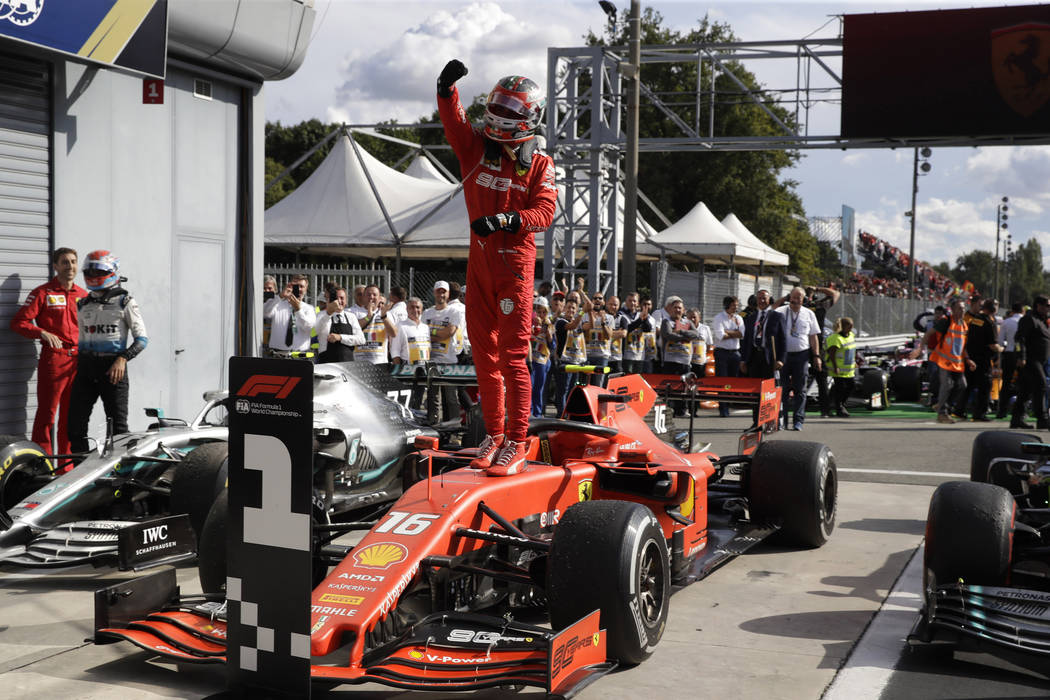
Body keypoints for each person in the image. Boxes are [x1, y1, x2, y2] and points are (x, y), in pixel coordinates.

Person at [437, 59, 557, 472]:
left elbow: (545, 211)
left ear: (530, 117)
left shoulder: (541, 164)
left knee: (512, 358)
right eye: (498, 105)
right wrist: (446, 90)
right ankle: (494, 435)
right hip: (479, 265)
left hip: (515, 268)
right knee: (483, 358)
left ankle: (518, 441)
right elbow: (454, 125)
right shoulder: (474, 148)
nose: (501, 115)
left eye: (511, 109)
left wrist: (509, 219)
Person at [67, 251, 147, 453]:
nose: (93, 275)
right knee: (75, 427)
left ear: (111, 272)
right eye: (89, 271)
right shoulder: (82, 304)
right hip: (86, 369)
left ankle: (119, 476)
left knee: (118, 430)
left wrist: (123, 358)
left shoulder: (125, 301)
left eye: (98, 270)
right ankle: (80, 471)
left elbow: (142, 339)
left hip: (113, 370)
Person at [10, 247, 87, 459]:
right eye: (64, 262)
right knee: (47, 415)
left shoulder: (84, 296)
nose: (70, 266)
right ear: (55, 266)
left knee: (71, 418)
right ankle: (41, 463)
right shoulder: (43, 293)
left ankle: (66, 467)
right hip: (55, 359)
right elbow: (18, 323)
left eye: (73, 261)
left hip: (79, 361)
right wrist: (41, 332)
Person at [921, 297, 975, 425]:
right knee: (947, 385)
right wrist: (920, 349)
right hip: (944, 360)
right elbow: (929, 333)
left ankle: (941, 405)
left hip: (957, 362)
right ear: (953, 310)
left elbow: (962, 346)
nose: (962, 311)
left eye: (963, 308)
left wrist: (968, 359)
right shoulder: (946, 322)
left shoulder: (964, 326)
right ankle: (942, 414)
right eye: (960, 308)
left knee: (962, 385)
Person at [740, 290, 788, 427]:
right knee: (755, 392)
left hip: (770, 358)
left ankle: (770, 421)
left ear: (769, 300)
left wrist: (781, 359)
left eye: (764, 298)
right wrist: (743, 360)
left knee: (769, 392)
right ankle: (756, 423)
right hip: (754, 357)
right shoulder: (751, 317)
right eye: (759, 298)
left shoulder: (777, 316)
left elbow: (783, 340)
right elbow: (746, 340)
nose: (762, 301)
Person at [776, 288, 822, 431]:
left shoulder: (809, 314)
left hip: (801, 355)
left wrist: (816, 356)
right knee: (781, 389)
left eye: (799, 297)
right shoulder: (780, 312)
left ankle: (798, 421)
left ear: (804, 299)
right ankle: (781, 420)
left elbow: (813, 336)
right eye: (793, 297)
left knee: (800, 390)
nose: (796, 300)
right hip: (783, 356)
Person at [423, 281, 466, 424]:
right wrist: (438, 333)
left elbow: (449, 332)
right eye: (438, 291)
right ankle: (433, 428)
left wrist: (432, 332)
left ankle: (454, 431)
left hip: (449, 361)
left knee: (451, 399)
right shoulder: (427, 312)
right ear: (434, 293)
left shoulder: (454, 311)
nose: (441, 294)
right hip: (431, 361)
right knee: (433, 398)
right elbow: (423, 334)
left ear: (448, 294)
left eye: (444, 292)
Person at [953, 298, 1002, 421]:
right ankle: (979, 414)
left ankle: (959, 411)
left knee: (968, 385)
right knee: (985, 386)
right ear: (994, 309)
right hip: (983, 359)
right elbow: (992, 345)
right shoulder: (989, 322)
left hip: (971, 358)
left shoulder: (975, 319)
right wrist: (1002, 349)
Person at [1010, 294, 1050, 430]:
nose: (1048, 309)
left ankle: (1016, 419)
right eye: (1047, 306)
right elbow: (1019, 339)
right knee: (1041, 385)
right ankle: (1042, 418)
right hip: (1030, 360)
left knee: (1025, 391)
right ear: (1039, 306)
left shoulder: (1042, 321)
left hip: (1039, 360)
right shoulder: (1028, 319)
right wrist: (1021, 356)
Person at [660, 298, 700, 417]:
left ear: (683, 310)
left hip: (685, 360)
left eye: (679, 308)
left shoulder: (688, 323)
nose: (677, 310)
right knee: (669, 387)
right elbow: (667, 335)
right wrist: (684, 336)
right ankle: (668, 410)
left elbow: (695, 334)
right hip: (670, 360)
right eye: (675, 307)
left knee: (684, 387)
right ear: (670, 309)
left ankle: (681, 410)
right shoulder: (666, 321)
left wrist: (680, 332)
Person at [263, 274, 316, 358]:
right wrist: (280, 296)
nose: (298, 289)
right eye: (296, 286)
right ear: (290, 286)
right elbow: (265, 313)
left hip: (300, 356)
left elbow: (308, 327)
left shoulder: (309, 309)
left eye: (301, 286)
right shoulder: (277, 304)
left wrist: (298, 310)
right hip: (277, 354)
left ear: (306, 290)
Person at [711, 295, 744, 417]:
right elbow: (720, 335)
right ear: (727, 305)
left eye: (737, 305)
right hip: (722, 352)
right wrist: (734, 333)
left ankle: (729, 404)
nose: (736, 307)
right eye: (734, 305)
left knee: (732, 381)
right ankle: (723, 408)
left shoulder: (739, 318)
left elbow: (742, 334)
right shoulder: (719, 318)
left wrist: (728, 331)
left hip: (735, 352)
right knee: (722, 380)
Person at [314, 286, 365, 364]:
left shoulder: (351, 317)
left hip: (348, 363)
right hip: (326, 362)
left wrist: (340, 337)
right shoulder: (321, 315)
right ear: (330, 300)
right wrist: (329, 314)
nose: (339, 301)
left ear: (346, 301)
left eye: (342, 298)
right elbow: (315, 331)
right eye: (336, 298)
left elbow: (361, 339)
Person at [354, 284, 397, 365]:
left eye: (374, 295)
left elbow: (393, 334)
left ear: (379, 298)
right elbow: (352, 330)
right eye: (368, 294)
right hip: (358, 362)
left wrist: (384, 317)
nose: (371, 297)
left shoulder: (387, 314)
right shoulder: (353, 312)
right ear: (363, 297)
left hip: (380, 362)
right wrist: (368, 316)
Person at [996, 301, 1024, 419]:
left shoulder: (1006, 322)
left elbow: (1000, 341)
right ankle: (1020, 412)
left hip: (1009, 353)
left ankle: (1002, 411)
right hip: (1022, 355)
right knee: (1023, 384)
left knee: (1006, 383)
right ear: (1022, 311)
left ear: (1012, 311)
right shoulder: (1025, 321)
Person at [824, 317, 857, 417]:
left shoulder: (851, 335)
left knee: (851, 386)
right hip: (837, 368)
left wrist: (854, 361)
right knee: (840, 388)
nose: (851, 328)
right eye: (849, 326)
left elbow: (851, 349)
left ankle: (837, 404)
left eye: (852, 326)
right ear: (843, 326)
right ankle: (839, 408)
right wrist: (835, 367)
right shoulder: (836, 338)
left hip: (848, 369)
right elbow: (832, 354)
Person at [529, 296, 556, 416]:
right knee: (529, 387)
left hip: (542, 361)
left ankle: (537, 414)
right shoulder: (528, 323)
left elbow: (553, 346)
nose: (541, 314)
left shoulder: (549, 325)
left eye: (544, 312)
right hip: (529, 359)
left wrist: (549, 337)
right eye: (538, 311)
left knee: (538, 389)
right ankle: (528, 414)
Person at [582, 291, 615, 386]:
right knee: (585, 385)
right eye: (595, 298)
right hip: (587, 355)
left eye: (600, 298)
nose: (597, 300)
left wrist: (603, 323)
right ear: (591, 301)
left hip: (602, 356)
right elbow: (585, 336)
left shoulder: (610, 318)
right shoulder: (585, 316)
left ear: (604, 302)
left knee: (598, 385)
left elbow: (609, 336)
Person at [620, 293, 654, 375]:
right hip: (626, 354)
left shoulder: (640, 314)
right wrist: (640, 320)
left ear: (638, 303)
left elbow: (648, 329)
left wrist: (645, 319)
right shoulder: (621, 314)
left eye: (634, 301)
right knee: (627, 377)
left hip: (639, 353)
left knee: (637, 378)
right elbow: (627, 328)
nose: (632, 303)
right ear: (626, 302)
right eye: (630, 301)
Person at [605, 295, 628, 375]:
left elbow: (624, 334)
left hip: (616, 358)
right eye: (610, 304)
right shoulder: (602, 317)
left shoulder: (622, 319)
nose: (613, 307)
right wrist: (617, 332)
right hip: (603, 356)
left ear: (618, 306)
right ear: (606, 304)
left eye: (615, 305)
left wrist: (607, 332)